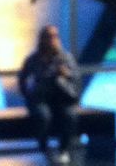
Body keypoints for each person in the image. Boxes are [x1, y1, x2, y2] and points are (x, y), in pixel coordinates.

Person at [19, 25, 82, 163]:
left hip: (61, 97)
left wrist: (67, 74)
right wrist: (28, 95)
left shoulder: (65, 57)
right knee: (43, 116)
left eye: (55, 36)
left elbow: (76, 76)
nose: (53, 40)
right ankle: (44, 146)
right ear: (42, 39)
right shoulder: (33, 59)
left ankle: (64, 149)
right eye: (50, 36)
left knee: (70, 116)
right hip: (41, 98)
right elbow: (22, 78)